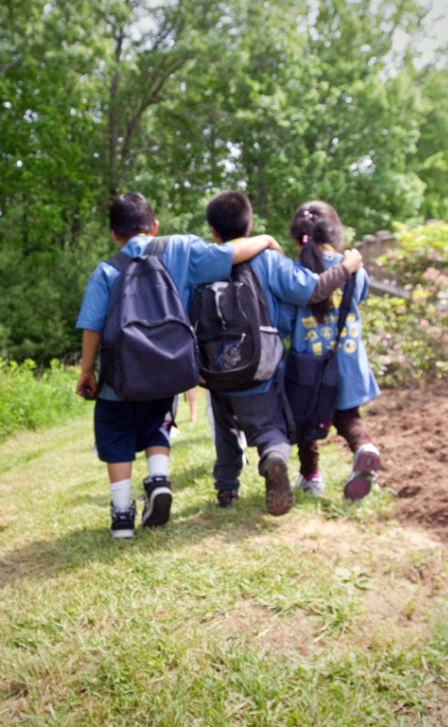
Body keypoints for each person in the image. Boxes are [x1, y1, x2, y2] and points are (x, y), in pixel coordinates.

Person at [75, 191, 285, 539]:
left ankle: (122, 514)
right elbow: (231, 253)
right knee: (158, 424)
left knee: (115, 434)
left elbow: (92, 325)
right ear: (154, 226)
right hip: (167, 369)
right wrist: (265, 239)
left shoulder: (106, 270)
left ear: (114, 233)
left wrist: (87, 370)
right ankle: (158, 478)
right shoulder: (182, 249)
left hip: (119, 376)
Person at [203, 191, 363, 516]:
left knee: (224, 426)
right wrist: (346, 267)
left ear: (213, 230)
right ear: (248, 225)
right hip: (258, 361)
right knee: (268, 427)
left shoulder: (204, 260)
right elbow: (311, 289)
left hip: (213, 363)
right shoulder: (269, 260)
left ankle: (226, 488)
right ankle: (273, 457)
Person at [282, 200, 381, 500]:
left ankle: (311, 476)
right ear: (334, 231)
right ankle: (364, 449)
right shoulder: (354, 269)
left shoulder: (295, 273)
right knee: (348, 415)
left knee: (305, 420)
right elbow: (359, 296)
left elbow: (287, 319)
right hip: (348, 358)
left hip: (309, 362)